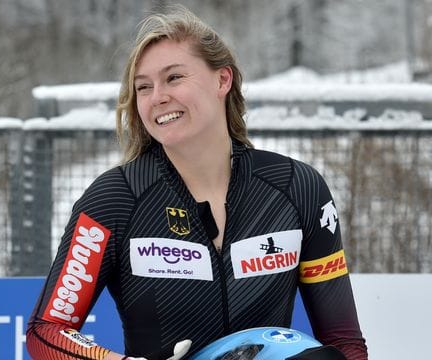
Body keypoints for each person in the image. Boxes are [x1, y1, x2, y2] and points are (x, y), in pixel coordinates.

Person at [26, 4, 368, 360]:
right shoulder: (115, 198)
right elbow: (46, 330)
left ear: (223, 80)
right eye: (143, 87)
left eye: (174, 78)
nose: (158, 96)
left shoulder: (297, 188)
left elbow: (344, 341)